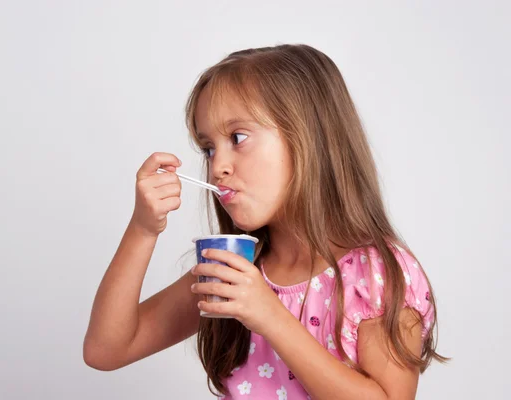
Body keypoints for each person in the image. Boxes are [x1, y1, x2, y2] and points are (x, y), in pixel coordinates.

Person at [83, 44, 447, 399]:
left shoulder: (371, 278)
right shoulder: (236, 269)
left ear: (307, 137)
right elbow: (107, 349)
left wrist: (269, 316)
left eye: (237, 138)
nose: (217, 166)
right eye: (209, 147)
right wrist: (144, 229)